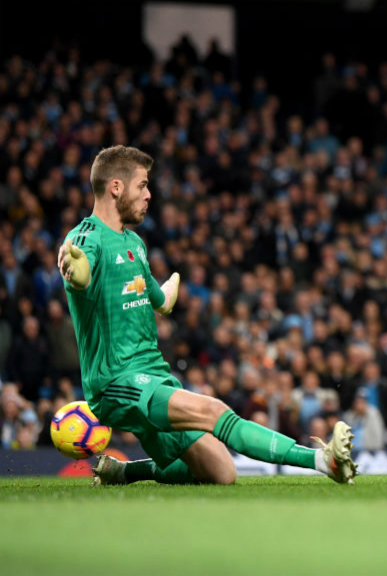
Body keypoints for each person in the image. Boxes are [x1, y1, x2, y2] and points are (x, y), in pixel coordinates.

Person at [58, 146, 357, 485]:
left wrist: (169, 291)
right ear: (116, 187)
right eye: (142, 185)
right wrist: (76, 273)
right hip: (118, 382)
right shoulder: (86, 238)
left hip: (153, 374)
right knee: (215, 410)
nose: (149, 194)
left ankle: (123, 471)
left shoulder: (135, 244)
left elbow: (157, 299)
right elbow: (80, 272)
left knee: (221, 473)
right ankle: (323, 460)